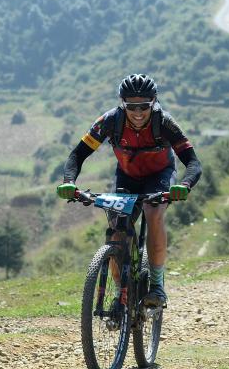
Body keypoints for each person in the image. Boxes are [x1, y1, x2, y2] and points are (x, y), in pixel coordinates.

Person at [57, 74, 201, 308]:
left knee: (154, 214)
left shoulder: (164, 123)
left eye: (144, 105)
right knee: (117, 231)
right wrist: (69, 182)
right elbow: (78, 154)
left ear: (153, 102)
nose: (137, 112)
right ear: (122, 103)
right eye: (131, 106)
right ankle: (120, 296)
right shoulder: (109, 121)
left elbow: (193, 162)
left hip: (160, 176)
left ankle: (156, 286)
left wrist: (183, 186)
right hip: (127, 177)